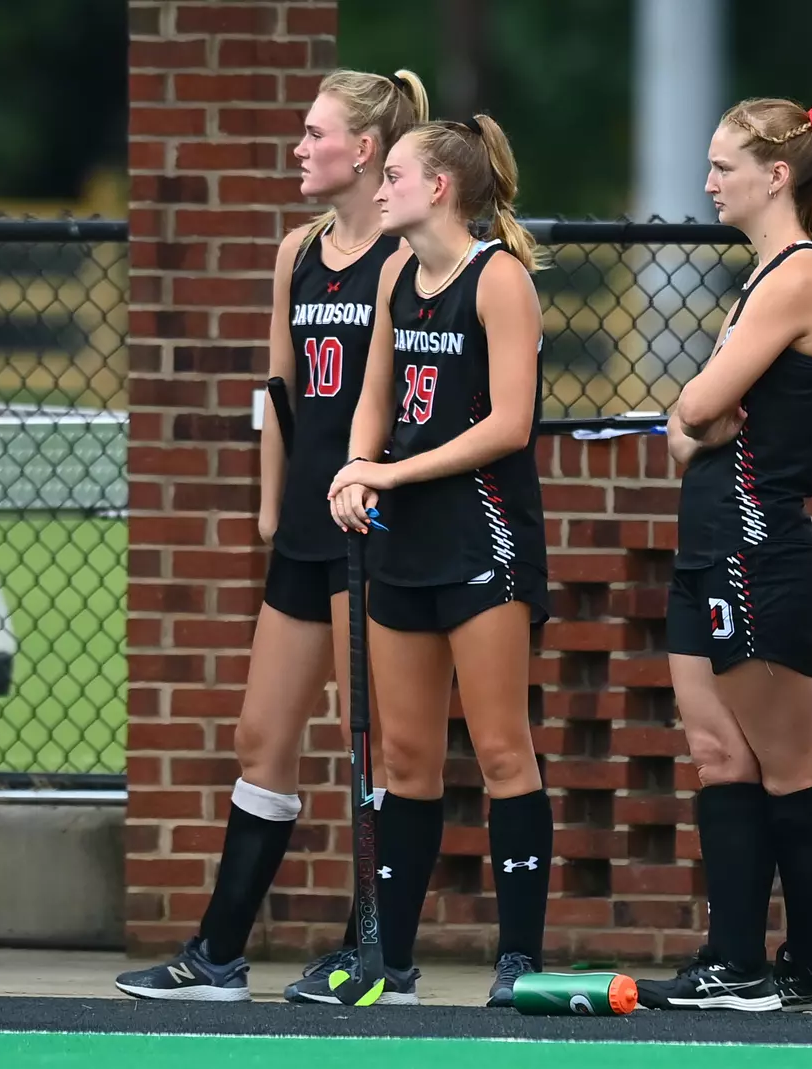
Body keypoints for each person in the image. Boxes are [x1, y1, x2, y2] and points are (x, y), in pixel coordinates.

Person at [114, 68, 430, 1004]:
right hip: (303, 527)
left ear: (363, 149)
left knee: (376, 749)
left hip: (372, 529)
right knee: (261, 735)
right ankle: (216, 956)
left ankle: (374, 956)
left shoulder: (405, 257)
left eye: (315, 132)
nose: (300, 148)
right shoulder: (299, 251)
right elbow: (280, 394)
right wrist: (269, 508)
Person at [634, 98, 812, 1013]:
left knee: (790, 764)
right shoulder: (759, 278)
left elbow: (697, 409)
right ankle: (732, 962)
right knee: (716, 753)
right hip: (707, 540)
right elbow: (687, 427)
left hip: (756, 544)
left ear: (777, 176)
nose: (707, 183)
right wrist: (696, 416)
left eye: (723, 166)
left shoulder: (800, 275)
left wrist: (697, 415)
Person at [317, 113, 551, 1010]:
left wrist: (390, 471)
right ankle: (389, 961)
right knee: (405, 758)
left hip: (482, 537)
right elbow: (374, 399)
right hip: (404, 540)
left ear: (440, 188)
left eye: (396, 176)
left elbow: (508, 426)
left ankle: (519, 958)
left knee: (500, 750)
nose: (381, 189)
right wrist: (356, 468)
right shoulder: (394, 275)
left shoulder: (500, 279)